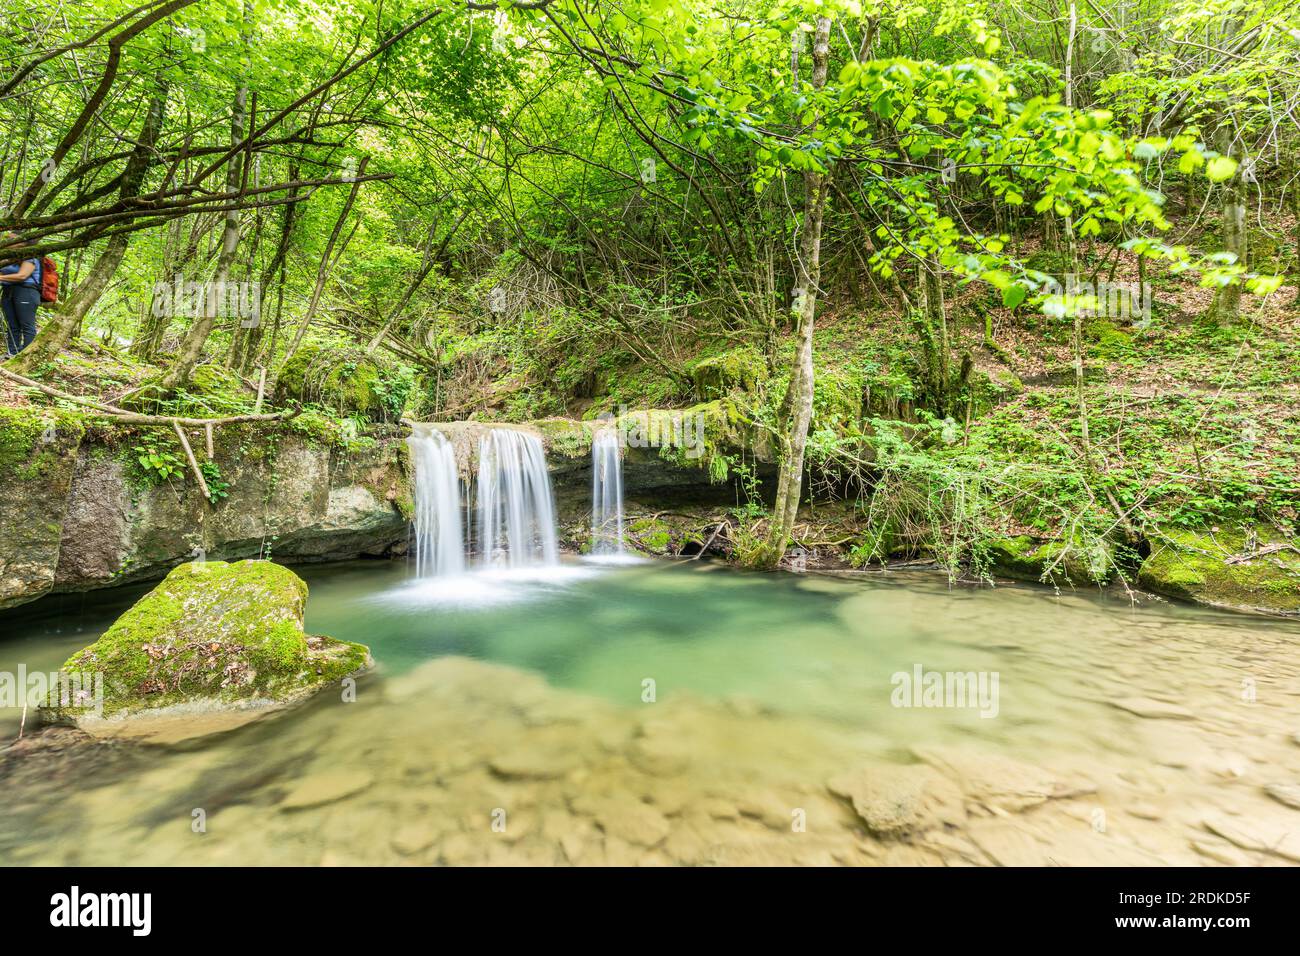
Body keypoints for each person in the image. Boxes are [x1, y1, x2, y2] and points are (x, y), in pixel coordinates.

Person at [0, 232, 42, 357]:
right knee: (12, 325)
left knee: (26, 325)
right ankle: (11, 353)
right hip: (8, 291)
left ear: (22, 243)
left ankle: (25, 356)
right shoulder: (7, 257)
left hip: (26, 291)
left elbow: (22, 275)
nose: (8, 240)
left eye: (11, 239)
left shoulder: (30, 256)